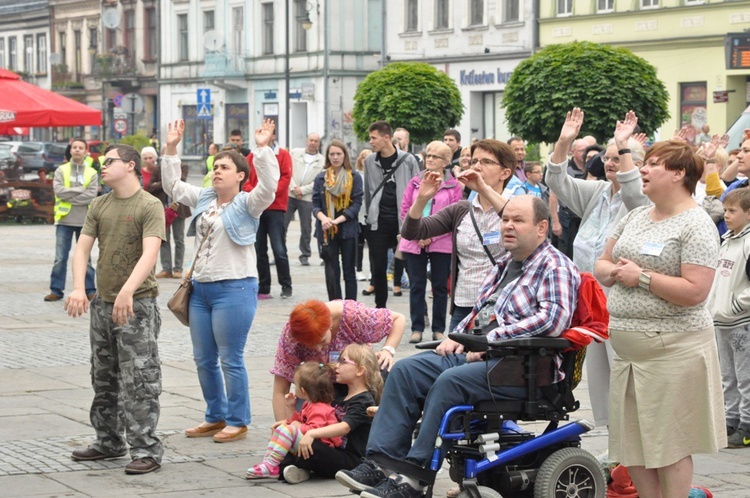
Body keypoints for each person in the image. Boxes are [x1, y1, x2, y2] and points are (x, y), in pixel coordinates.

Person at [336, 195, 581, 498]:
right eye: (505, 220)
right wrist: (459, 335)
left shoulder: (556, 265)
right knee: (406, 371)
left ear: (542, 227)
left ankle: (415, 477)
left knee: (449, 382)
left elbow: (552, 320)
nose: (508, 226)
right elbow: (480, 314)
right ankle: (382, 463)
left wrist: (491, 341)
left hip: (522, 368)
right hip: (479, 355)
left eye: (518, 220)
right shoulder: (504, 264)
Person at [595, 140, 725, 498]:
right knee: (632, 444)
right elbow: (603, 261)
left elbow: (696, 290)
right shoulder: (635, 215)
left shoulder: (697, 224)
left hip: (673, 351)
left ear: (679, 173)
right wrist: (610, 273)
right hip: (629, 354)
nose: (643, 170)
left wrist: (644, 277)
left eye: (653, 164)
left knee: (669, 444)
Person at [163, 119, 280, 443]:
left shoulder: (248, 203)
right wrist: (171, 149)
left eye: (224, 168)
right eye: (215, 167)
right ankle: (214, 416)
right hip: (199, 290)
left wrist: (262, 148)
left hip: (235, 288)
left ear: (240, 175)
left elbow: (269, 187)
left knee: (230, 357)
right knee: (203, 358)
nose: (216, 171)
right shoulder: (203, 198)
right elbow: (173, 186)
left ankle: (238, 419)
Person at [64, 143, 166, 475]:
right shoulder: (99, 204)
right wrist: (80, 287)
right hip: (102, 305)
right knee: (104, 376)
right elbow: (81, 250)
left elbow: (150, 254)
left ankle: (146, 449)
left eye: (109, 161)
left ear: (131, 166)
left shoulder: (150, 205)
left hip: (138, 304)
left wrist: (128, 290)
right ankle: (108, 441)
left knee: (140, 379)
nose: (102, 167)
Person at [546, 109, 649, 428]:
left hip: (622, 304)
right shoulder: (598, 193)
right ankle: (614, 442)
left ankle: (632, 442)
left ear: (637, 164)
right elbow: (557, 180)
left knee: (624, 378)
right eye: (607, 156)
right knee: (600, 380)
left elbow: (633, 191)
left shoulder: (643, 200)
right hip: (591, 305)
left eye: (618, 157)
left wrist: (624, 144)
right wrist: (564, 143)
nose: (610, 162)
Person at [401, 139, 513, 333]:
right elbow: (411, 231)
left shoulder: (518, 205)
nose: (477, 166)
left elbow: (516, 221)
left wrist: (483, 189)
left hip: (502, 306)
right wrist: (421, 199)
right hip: (464, 306)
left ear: (505, 173)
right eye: (475, 161)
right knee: (451, 360)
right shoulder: (461, 210)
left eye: (486, 162)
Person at [271, 299, 404, 421]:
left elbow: (398, 319)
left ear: (329, 325)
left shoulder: (352, 315)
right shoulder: (293, 333)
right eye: (309, 345)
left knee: (382, 368)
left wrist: (388, 350)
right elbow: (280, 390)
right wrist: (283, 429)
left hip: (355, 384)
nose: (318, 350)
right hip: (320, 386)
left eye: (322, 341)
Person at [278, 344, 384, 483]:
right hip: (333, 449)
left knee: (313, 447)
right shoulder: (340, 393)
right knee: (290, 441)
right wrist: (288, 426)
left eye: (343, 361)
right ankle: (298, 469)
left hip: (351, 460)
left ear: (360, 371)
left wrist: (311, 433)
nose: (337, 366)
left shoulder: (364, 400)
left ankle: (302, 467)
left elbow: (345, 427)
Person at [397, 141, 461, 344]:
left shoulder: (454, 186)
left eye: (435, 157)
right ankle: (417, 327)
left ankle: (438, 329)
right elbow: (405, 209)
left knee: (440, 287)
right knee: (416, 285)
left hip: (441, 243)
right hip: (414, 242)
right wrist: (418, 234)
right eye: (429, 155)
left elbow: (455, 217)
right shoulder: (415, 181)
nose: (430, 159)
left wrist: (431, 236)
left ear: (445, 162)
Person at [247, 361, 343, 479]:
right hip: (310, 443)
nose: (294, 388)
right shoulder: (310, 404)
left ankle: (271, 465)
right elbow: (294, 421)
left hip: (321, 447)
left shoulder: (320, 408)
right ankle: (268, 463)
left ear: (303, 390)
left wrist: (296, 425)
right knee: (282, 428)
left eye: (295, 385)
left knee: (289, 430)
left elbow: (315, 430)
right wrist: (290, 407)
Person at [708, 188, 750, 448]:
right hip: (721, 320)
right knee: (727, 375)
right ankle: (730, 419)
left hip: (741, 323)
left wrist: (735, 306)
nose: (727, 215)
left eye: (733, 211)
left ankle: (747, 424)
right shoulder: (727, 239)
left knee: (745, 376)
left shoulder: (747, 243)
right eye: (725, 210)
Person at [363, 121, 420, 308]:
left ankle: (421, 313)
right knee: (378, 269)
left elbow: (417, 191)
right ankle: (380, 310)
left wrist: (417, 221)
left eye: (374, 137)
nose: (370, 141)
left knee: (412, 267)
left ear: (386, 138)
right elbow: (368, 192)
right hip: (378, 223)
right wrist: (367, 219)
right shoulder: (370, 161)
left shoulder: (408, 160)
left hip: (403, 223)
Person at [244, 126, 294, 299]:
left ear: (273, 135)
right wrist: (255, 192)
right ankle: (264, 287)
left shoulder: (283, 155)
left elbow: (285, 178)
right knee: (259, 249)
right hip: (257, 207)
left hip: (276, 207)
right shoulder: (252, 155)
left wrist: (268, 193)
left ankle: (286, 285)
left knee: (279, 248)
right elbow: (246, 178)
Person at [46, 137, 97, 302]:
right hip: (64, 221)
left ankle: (90, 289)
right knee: (60, 257)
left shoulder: (92, 172)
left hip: (85, 222)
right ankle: (56, 289)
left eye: (80, 148)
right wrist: (80, 189)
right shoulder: (61, 170)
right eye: (74, 147)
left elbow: (91, 195)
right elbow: (59, 192)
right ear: (70, 150)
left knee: (86, 258)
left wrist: (72, 195)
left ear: (85, 151)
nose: (77, 150)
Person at [313, 140, 363, 301]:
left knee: (349, 270)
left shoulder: (354, 177)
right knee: (332, 271)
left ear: (344, 156)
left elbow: (356, 205)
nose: (335, 157)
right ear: (327, 156)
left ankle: (350, 308)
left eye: (338, 154)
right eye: (332, 154)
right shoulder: (321, 178)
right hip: (326, 229)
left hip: (347, 228)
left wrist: (337, 221)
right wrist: (324, 219)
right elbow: (315, 205)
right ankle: (335, 306)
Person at [146, 146, 191, 279]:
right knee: (163, 239)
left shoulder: (183, 166)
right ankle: (166, 268)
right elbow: (150, 186)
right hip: (162, 208)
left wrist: (163, 183)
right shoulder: (158, 168)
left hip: (178, 208)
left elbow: (180, 182)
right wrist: (166, 183)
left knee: (179, 239)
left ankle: (178, 268)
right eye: (165, 152)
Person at [286, 133, 324, 266]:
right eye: (311, 140)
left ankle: (305, 254)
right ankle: (280, 252)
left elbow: (318, 181)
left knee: (306, 227)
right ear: (306, 141)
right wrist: (294, 188)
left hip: (307, 197)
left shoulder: (322, 161)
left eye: (316, 141)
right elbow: (287, 171)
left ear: (319, 144)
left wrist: (302, 190)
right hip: (290, 194)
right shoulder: (295, 153)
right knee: (282, 225)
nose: (313, 143)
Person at [355, 149, 372, 282]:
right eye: (363, 157)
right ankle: (359, 269)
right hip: (358, 214)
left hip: (371, 214)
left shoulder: (375, 175)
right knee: (359, 244)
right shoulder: (356, 175)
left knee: (373, 245)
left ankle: (372, 270)